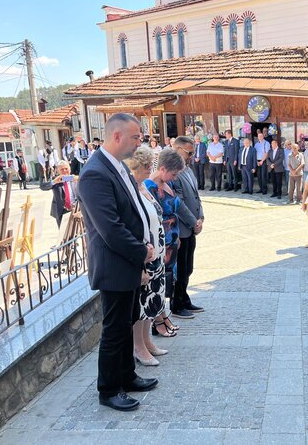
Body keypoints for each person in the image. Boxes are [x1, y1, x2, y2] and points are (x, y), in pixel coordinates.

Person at [77, 113, 157, 412]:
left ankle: (127, 375)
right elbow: (109, 228)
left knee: (126, 324)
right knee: (114, 330)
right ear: (117, 136)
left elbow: (131, 210)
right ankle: (109, 389)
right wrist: (141, 251)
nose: (140, 142)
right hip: (114, 265)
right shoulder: (95, 173)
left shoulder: (118, 166)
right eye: (136, 137)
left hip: (128, 262)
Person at [125, 147, 172, 366]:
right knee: (142, 304)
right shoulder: (130, 189)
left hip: (157, 253)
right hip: (145, 257)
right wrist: (142, 263)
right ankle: (138, 347)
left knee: (152, 301)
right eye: (145, 167)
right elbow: (134, 224)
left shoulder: (143, 186)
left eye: (149, 166)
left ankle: (147, 341)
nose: (148, 170)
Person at [145, 148, 187, 324]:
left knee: (168, 281)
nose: (175, 178)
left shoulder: (166, 184)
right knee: (158, 283)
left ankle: (164, 316)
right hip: (160, 242)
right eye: (174, 173)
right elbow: (153, 218)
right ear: (163, 169)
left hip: (171, 240)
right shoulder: (149, 186)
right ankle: (158, 321)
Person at [170, 137, 205, 319]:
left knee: (188, 267)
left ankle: (184, 298)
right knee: (181, 267)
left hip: (191, 227)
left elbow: (196, 197)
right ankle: (176, 304)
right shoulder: (173, 173)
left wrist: (201, 218)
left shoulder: (188, 170)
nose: (191, 156)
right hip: (181, 228)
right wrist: (193, 221)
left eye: (193, 153)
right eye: (188, 152)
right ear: (177, 149)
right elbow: (179, 203)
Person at [40, 160, 78, 227]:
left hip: (75, 209)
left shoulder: (74, 179)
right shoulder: (56, 180)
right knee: (63, 234)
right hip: (61, 211)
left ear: (70, 169)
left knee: (76, 232)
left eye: (66, 168)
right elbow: (43, 187)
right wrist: (54, 182)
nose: (64, 171)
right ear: (58, 171)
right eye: (62, 169)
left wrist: (78, 179)